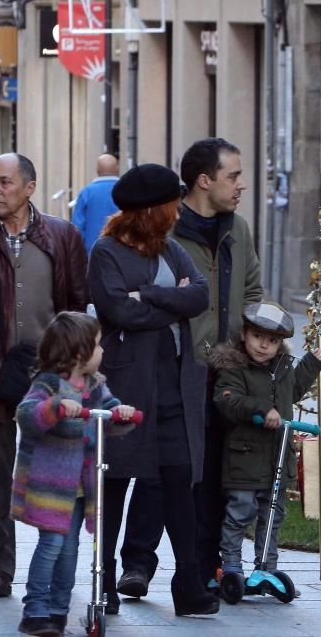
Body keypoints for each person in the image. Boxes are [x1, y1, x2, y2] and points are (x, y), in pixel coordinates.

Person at [118, 137, 263, 597]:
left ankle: (203, 566)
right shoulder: (168, 230)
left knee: (212, 473)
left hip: (229, 371)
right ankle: (137, 563)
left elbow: (253, 290)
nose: (241, 184)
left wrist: (251, 343)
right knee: (161, 469)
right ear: (205, 180)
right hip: (178, 368)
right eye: (233, 175)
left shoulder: (238, 227)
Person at [0, 152, 89, 600]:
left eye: (5, 182)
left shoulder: (63, 236)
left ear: (30, 187)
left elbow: (75, 304)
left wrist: (75, 370)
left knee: (57, 478)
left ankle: (52, 566)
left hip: (49, 380)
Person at [88, 162, 219, 618]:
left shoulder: (170, 249)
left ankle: (189, 585)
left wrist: (148, 296)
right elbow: (118, 312)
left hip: (175, 388)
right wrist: (169, 301)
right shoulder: (106, 252)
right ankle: (103, 582)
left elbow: (200, 295)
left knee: (180, 483)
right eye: (172, 205)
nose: (179, 212)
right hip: (127, 386)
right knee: (115, 485)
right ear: (152, 210)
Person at [12, 311, 136, 636]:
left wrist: (120, 413)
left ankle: (57, 611)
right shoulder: (47, 384)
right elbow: (27, 414)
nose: (102, 351)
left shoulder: (96, 385)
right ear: (79, 353)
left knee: (69, 552)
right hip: (51, 486)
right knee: (51, 546)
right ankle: (35, 610)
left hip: (82, 486)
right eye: (97, 345)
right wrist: (54, 408)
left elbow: (108, 411)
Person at [209, 302, 321, 580]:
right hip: (245, 459)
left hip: (276, 459)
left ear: (280, 344)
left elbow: (291, 392)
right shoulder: (234, 367)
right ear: (245, 334)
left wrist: (311, 363)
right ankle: (232, 565)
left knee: (272, 517)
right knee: (240, 513)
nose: (264, 345)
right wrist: (261, 409)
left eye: (272, 341)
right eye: (258, 337)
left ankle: (266, 568)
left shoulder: (282, 368)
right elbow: (228, 400)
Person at [71, 153, 119, 253]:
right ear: (117, 169)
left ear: (97, 170)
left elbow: (77, 227)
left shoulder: (87, 192)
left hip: (92, 253)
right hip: (122, 252)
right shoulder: (126, 190)